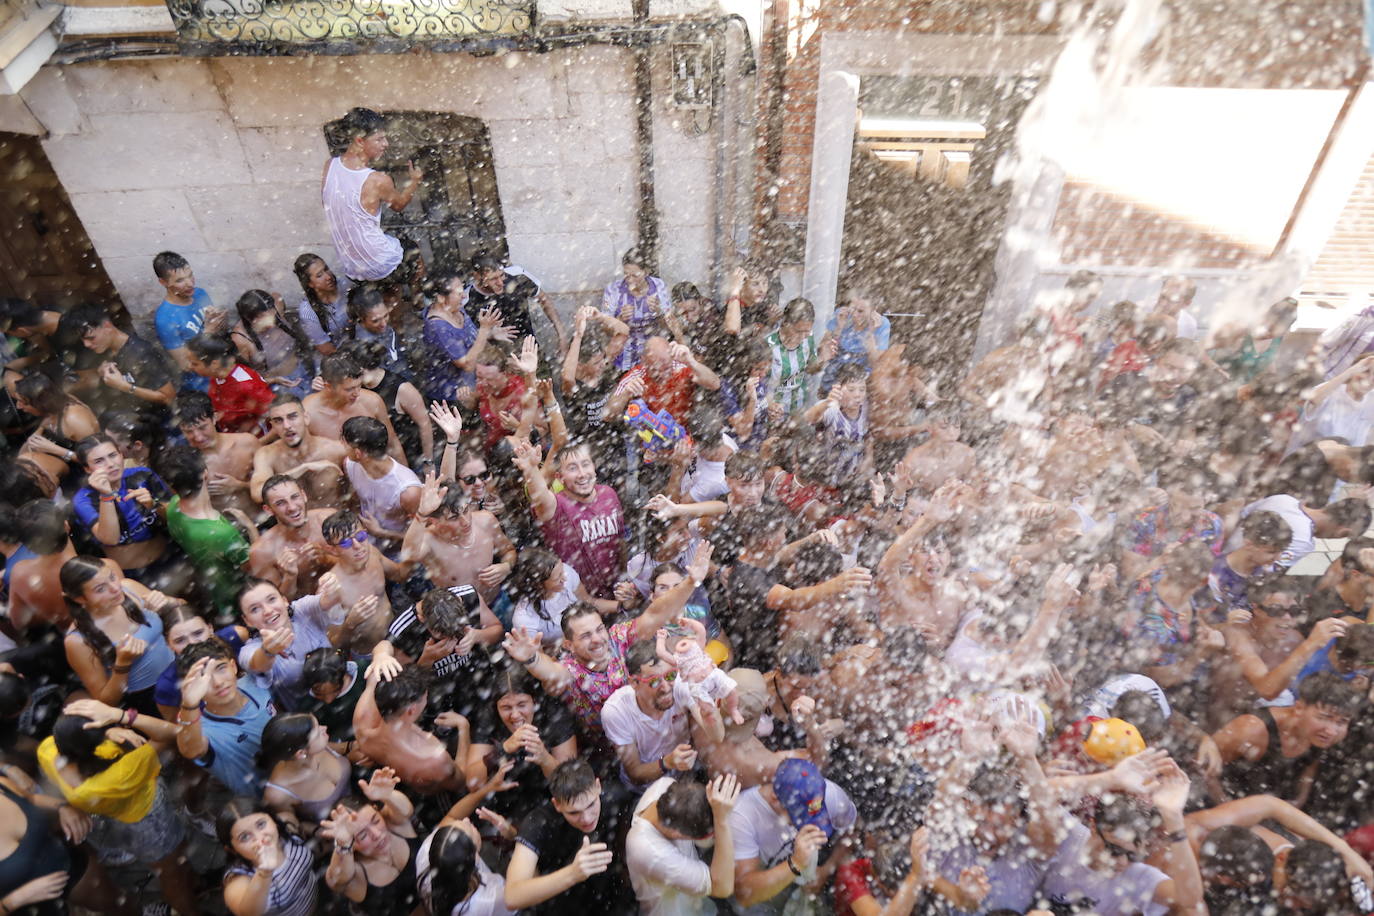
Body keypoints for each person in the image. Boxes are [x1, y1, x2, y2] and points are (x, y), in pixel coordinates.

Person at [37, 701, 198, 916]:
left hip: (113, 818)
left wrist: (109, 730)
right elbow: (171, 734)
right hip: (148, 821)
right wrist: (121, 717)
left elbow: (79, 742)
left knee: (166, 864)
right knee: (172, 871)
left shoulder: (48, 749)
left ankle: (186, 881)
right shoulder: (119, 774)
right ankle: (189, 909)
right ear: (98, 741)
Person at [504, 757, 636, 915]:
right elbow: (512, 897)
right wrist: (573, 873)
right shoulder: (539, 822)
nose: (587, 818)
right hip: (562, 905)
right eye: (574, 812)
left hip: (613, 897)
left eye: (591, 805)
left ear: (598, 787)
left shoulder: (617, 797)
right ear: (557, 804)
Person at [728, 757, 858, 914]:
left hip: (807, 883)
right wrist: (795, 864)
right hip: (762, 900)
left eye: (817, 815)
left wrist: (826, 869)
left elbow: (854, 832)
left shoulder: (830, 794)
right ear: (775, 798)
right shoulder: (742, 816)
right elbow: (744, 894)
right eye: (800, 817)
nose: (810, 824)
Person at [1212, 671, 1362, 804]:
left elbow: (1301, 789)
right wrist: (1231, 814)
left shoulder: (1320, 739)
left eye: (1342, 722)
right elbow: (1201, 768)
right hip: (1215, 806)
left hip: (1265, 813)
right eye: (1324, 717)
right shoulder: (1251, 729)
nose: (1331, 731)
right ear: (1299, 708)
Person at [236, 577, 379, 713]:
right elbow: (256, 663)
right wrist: (268, 651)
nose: (267, 611)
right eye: (255, 609)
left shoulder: (302, 611)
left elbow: (330, 599)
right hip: (314, 716)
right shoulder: (250, 649)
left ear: (285, 600)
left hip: (346, 690)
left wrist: (331, 585)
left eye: (272, 599)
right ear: (247, 620)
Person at [463, 664, 579, 828]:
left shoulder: (554, 714)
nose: (515, 715)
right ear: (496, 708)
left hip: (548, 793)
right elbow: (472, 782)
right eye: (506, 708)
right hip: (505, 793)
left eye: (522, 705)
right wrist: (502, 750)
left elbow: (569, 784)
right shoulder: (488, 717)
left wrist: (544, 757)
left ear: (534, 701)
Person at [60, 555, 176, 714]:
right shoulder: (78, 641)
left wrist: (167, 604)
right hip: (149, 699)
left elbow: (185, 612)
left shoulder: (129, 588)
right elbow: (106, 702)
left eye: (112, 577)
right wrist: (122, 663)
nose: (115, 588)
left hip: (181, 669)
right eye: (101, 589)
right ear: (79, 599)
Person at [512, 438, 626, 600]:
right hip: (577, 602)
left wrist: (626, 580)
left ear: (594, 467)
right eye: (572, 468)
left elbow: (620, 543)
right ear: (560, 477)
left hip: (618, 593)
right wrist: (531, 469)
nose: (582, 474)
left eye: (586, 464)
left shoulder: (608, 494)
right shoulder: (558, 505)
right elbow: (541, 497)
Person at [322, 107, 423, 283]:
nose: (386, 144)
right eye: (379, 139)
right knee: (412, 251)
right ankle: (417, 300)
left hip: (352, 265)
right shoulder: (377, 180)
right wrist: (414, 181)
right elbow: (399, 205)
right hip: (378, 262)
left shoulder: (330, 166)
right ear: (360, 141)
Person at [626, 773, 741, 916]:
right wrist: (721, 820)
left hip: (698, 905)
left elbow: (706, 841)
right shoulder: (650, 851)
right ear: (677, 835)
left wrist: (720, 810)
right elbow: (723, 887)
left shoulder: (665, 786)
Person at [160, 445, 253, 619]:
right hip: (239, 602)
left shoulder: (173, 507)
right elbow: (253, 567)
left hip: (214, 596)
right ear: (205, 474)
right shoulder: (222, 533)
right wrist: (250, 527)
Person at [175, 637, 277, 796]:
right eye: (203, 679)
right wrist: (189, 704)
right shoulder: (203, 731)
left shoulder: (253, 682)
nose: (217, 682)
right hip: (264, 800)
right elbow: (191, 750)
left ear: (233, 666)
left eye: (221, 668)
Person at [70, 432, 175, 582]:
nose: (110, 464)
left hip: (169, 558)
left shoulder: (143, 475)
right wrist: (105, 495)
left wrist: (154, 505)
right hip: (132, 575)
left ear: (121, 454)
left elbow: (176, 516)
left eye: (113, 455)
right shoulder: (83, 500)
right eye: (99, 461)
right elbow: (110, 539)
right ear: (87, 469)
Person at [601, 640, 694, 789]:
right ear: (634, 683)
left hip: (687, 774)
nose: (665, 687)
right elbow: (635, 773)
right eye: (655, 681)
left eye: (670, 676)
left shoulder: (682, 686)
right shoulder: (616, 711)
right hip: (644, 788)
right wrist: (668, 762)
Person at [64, 302, 176, 424]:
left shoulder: (140, 352)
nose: (86, 344)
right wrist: (101, 373)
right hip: (133, 420)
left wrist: (123, 386)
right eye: (83, 340)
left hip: (160, 422)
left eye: (91, 338)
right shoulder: (104, 350)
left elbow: (168, 397)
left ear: (107, 326)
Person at [423, 267, 512, 403]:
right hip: (455, 395)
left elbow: (467, 339)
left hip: (474, 383)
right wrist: (484, 330)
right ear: (441, 298)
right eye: (459, 292)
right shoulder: (438, 327)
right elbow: (467, 364)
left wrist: (491, 334)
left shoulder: (455, 308)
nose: (464, 295)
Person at [218, 798, 318, 916]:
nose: (260, 838)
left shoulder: (287, 826)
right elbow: (250, 913)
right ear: (232, 849)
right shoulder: (237, 881)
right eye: (244, 837)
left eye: (261, 824)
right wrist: (265, 872)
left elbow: (304, 834)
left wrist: (321, 833)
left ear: (273, 820)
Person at [259, 712, 353, 833]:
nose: (324, 728)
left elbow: (343, 748)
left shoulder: (320, 746)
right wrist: (324, 833)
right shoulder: (278, 794)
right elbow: (295, 826)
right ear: (301, 753)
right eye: (317, 732)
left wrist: (353, 749)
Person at [251, 393, 349, 507]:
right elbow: (257, 494)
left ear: (306, 418)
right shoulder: (267, 455)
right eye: (278, 421)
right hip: (295, 522)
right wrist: (302, 469)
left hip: (335, 519)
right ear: (273, 426)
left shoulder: (336, 450)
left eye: (292, 417)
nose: (287, 426)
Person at [173, 391, 260, 518]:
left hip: (265, 517)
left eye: (202, 427)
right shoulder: (185, 465)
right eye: (189, 431)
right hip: (230, 533)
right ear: (181, 429)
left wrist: (241, 486)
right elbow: (184, 508)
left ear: (214, 418)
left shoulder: (247, 442)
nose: (198, 437)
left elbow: (274, 481)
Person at [247, 475, 334, 599]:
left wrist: (326, 559)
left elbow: (361, 563)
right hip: (302, 613)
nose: (292, 507)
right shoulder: (261, 551)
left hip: (342, 597)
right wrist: (290, 577)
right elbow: (276, 606)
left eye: (295, 497)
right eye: (280, 503)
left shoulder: (327, 519)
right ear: (269, 510)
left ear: (303, 496)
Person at [13, 371, 98, 493]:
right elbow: (22, 453)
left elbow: (98, 458)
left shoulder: (74, 419)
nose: (18, 406)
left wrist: (55, 449)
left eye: (23, 402)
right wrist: (41, 429)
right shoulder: (52, 412)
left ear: (40, 402)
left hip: (88, 478)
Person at [152, 250, 224, 393]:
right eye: (179, 280)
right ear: (163, 282)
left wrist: (219, 320)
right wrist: (208, 332)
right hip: (202, 382)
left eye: (190, 276)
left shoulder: (200, 293)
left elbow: (219, 335)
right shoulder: (165, 319)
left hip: (221, 365)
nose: (189, 283)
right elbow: (186, 364)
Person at [343, 415, 422, 544]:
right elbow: (355, 501)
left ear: (358, 453)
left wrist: (381, 533)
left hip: (397, 551)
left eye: (345, 443)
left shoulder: (407, 491)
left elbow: (425, 534)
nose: (342, 447)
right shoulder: (350, 464)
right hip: (364, 543)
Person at [467, 254, 567, 354]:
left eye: (502, 275)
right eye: (493, 279)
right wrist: (489, 334)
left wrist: (561, 335)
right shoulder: (466, 299)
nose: (500, 283)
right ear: (476, 276)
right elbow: (464, 337)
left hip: (529, 349)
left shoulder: (516, 276)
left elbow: (543, 299)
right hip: (495, 359)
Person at [418, 813, 514, 916]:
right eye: (469, 831)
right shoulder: (489, 899)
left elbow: (450, 817)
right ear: (473, 854)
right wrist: (510, 833)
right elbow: (524, 891)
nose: (466, 820)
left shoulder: (426, 851)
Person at [230, 289, 313, 399]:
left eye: (272, 312)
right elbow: (243, 378)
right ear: (250, 319)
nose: (271, 318)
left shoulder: (276, 306)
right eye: (263, 316)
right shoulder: (241, 339)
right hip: (279, 386)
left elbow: (275, 295)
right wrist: (273, 380)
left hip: (303, 368)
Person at [186, 333, 275, 434]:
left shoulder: (246, 385)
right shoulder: (217, 376)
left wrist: (259, 444)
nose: (189, 367)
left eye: (195, 364)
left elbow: (277, 417)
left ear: (214, 364)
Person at [603, 248, 669, 371]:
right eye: (626, 275)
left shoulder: (658, 286)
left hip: (652, 357)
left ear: (646, 271)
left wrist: (659, 312)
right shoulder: (614, 290)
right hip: (623, 356)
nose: (630, 280)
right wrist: (619, 319)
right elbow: (606, 330)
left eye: (635, 275)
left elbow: (669, 325)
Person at [766, 297, 833, 417]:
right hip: (772, 409)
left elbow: (810, 369)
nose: (803, 336)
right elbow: (760, 383)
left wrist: (822, 359)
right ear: (785, 323)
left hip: (798, 407)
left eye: (807, 331)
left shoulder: (808, 337)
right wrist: (770, 404)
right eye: (798, 331)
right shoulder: (769, 344)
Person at [293, 253, 352, 356]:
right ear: (310, 284)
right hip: (339, 355)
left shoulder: (345, 285)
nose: (328, 276)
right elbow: (326, 349)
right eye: (319, 275)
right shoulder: (308, 311)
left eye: (326, 269)